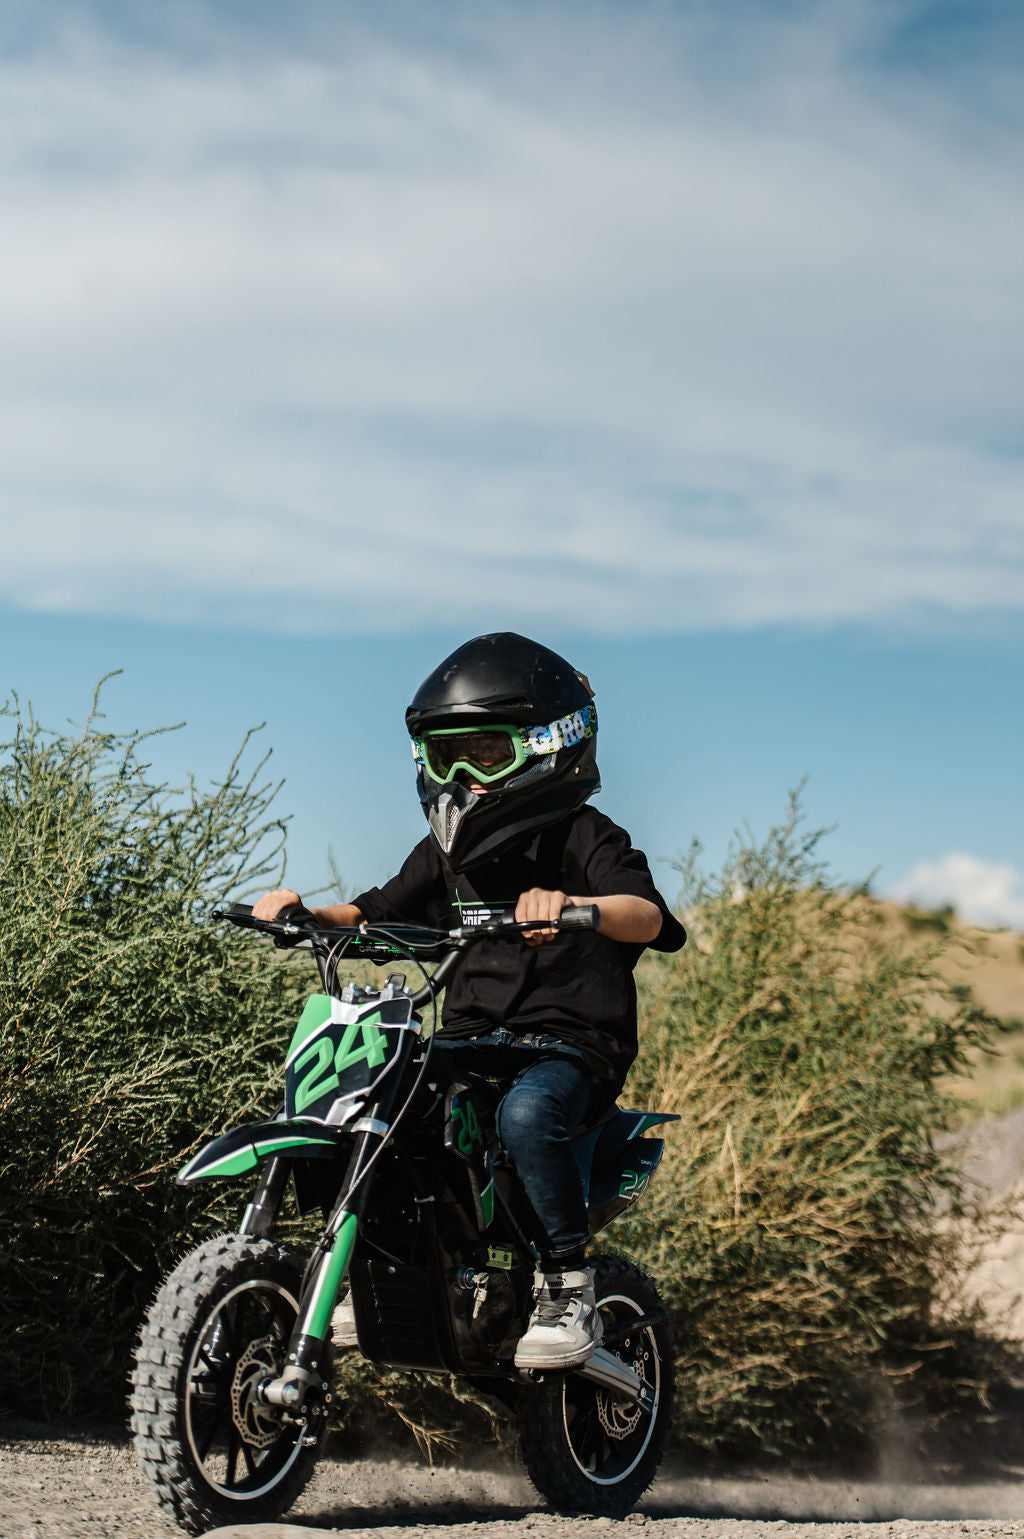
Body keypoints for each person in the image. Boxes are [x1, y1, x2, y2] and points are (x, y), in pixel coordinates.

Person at [254, 632, 686, 1369]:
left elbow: (649, 917)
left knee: (524, 1113)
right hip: (468, 1041)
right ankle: (366, 1272)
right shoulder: (446, 856)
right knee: (377, 1098)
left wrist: (579, 905)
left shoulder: (586, 834)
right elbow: (373, 912)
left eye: (485, 753)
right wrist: (301, 916)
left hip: (566, 1047)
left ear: (550, 744)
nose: (462, 775)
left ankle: (566, 1286)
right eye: (443, 755)